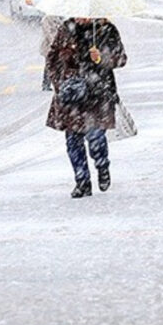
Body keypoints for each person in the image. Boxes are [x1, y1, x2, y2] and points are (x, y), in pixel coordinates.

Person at [46, 18, 127, 198]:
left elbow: (121, 58)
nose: (82, 17)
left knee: (95, 137)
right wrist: (61, 82)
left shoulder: (106, 29)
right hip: (72, 97)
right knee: (73, 141)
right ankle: (82, 181)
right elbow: (52, 59)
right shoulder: (67, 28)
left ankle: (102, 165)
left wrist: (101, 59)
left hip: (98, 95)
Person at [39, 15, 63, 91]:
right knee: (49, 64)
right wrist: (56, 41)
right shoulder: (46, 19)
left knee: (59, 64)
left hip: (59, 46)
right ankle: (46, 83)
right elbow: (49, 33)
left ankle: (58, 82)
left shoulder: (61, 18)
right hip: (49, 46)